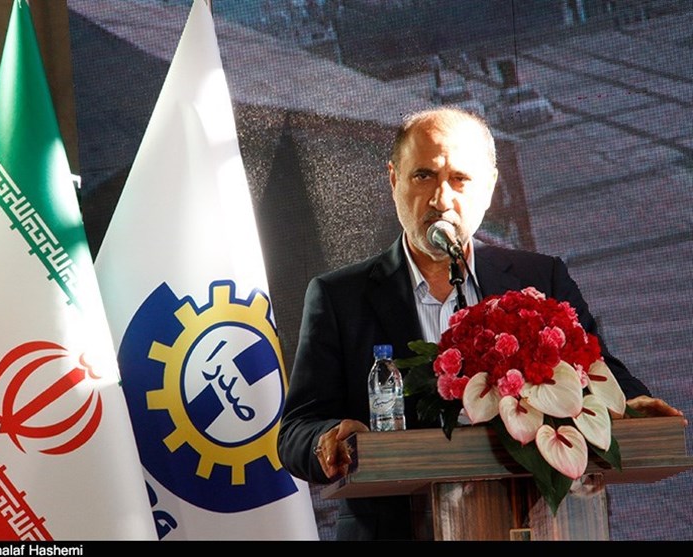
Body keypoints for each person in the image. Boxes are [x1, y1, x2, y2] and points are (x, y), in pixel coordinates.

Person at [276, 106, 685, 541]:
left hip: (533, 524)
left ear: (489, 187)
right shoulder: (340, 296)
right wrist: (328, 439)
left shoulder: (539, 279)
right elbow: (297, 430)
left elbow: (598, 371)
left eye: (459, 179)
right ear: (394, 181)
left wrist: (633, 404)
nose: (440, 199)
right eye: (423, 176)